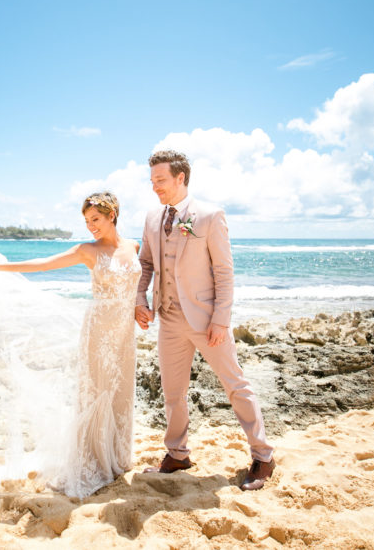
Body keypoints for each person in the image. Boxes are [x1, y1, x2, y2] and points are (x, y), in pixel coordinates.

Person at [0, 191, 140, 498]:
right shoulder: (86, 250)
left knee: (120, 391)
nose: (91, 226)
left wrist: (141, 304)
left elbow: (141, 280)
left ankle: (116, 456)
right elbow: (43, 265)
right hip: (99, 330)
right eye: (87, 220)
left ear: (112, 215)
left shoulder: (134, 245)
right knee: (97, 391)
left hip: (125, 333)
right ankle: (92, 459)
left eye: (96, 219)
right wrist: (0, 265)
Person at [134, 149, 275, 491]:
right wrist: (139, 298)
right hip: (168, 320)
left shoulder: (210, 216)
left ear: (181, 178)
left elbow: (225, 272)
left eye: (161, 180)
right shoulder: (153, 217)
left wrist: (220, 320)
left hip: (206, 320)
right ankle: (178, 453)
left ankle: (263, 456)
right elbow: (146, 265)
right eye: (152, 181)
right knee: (172, 392)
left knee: (235, 385)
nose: (155, 187)